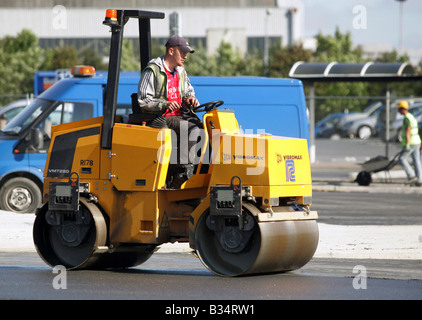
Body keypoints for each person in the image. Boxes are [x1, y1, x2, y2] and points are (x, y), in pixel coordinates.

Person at [137, 35, 202, 188]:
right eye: (183, 52)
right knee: (183, 133)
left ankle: (184, 172)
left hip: (177, 116)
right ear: (171, 51)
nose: (185, 56)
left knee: (199, 127)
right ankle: (175, 173)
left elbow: (188, 92)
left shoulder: (180, 71)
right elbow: (143, 100)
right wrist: (164, 105)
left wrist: (190, 99)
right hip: (157, 117)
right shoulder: (152, 70)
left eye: (187, 53)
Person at [397, 100, 422, 187]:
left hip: (411, 142)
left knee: (401, 159)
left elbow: (408, 131)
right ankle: (419, 179)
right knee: (416, 161)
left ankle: (411, 176)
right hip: (417, 141)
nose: (398, 111)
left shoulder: (407, 118)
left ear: (402, 109)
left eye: (399, 109)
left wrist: (407, 144)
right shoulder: (411, 116)